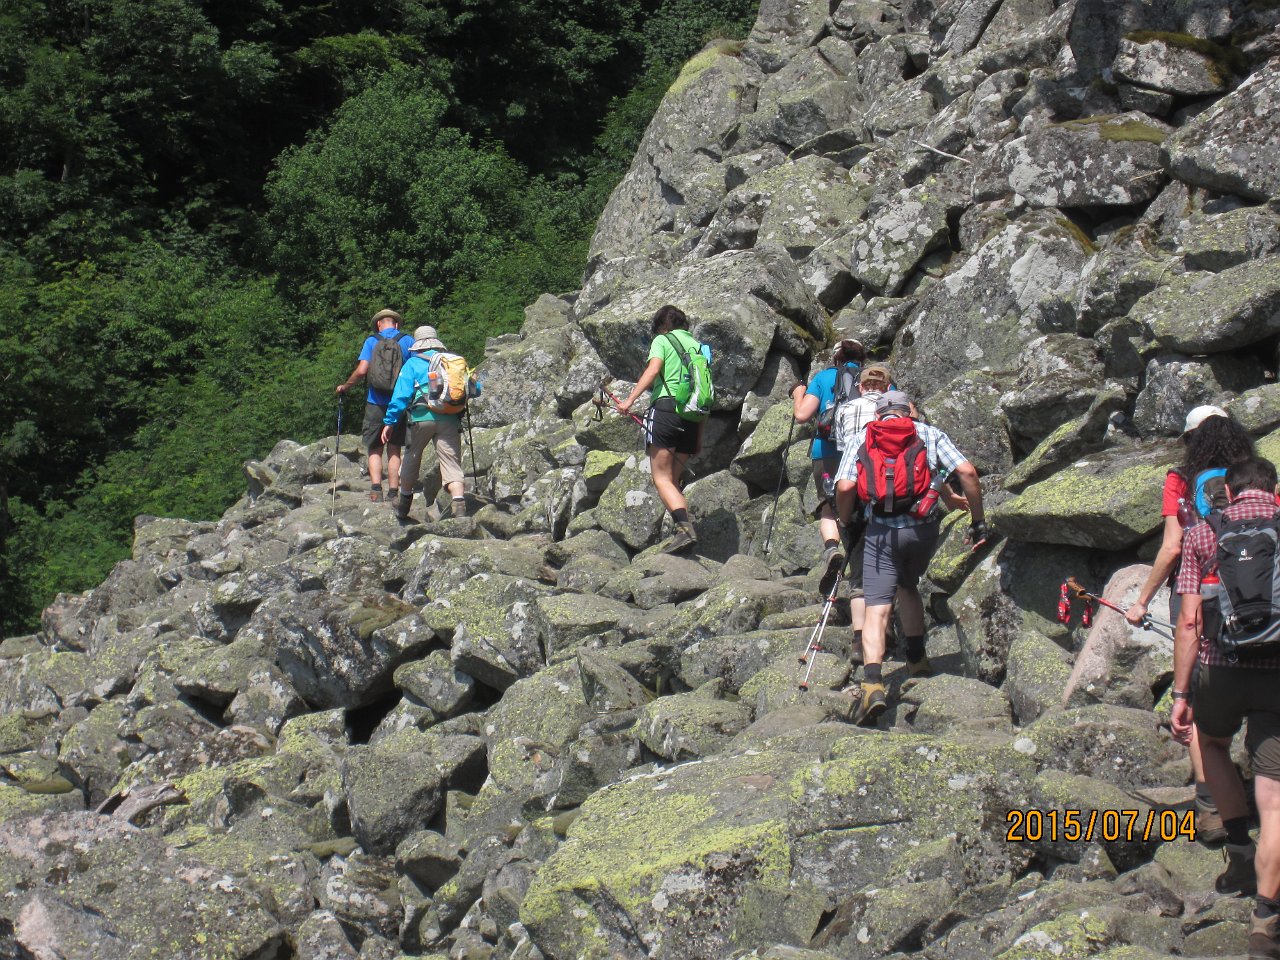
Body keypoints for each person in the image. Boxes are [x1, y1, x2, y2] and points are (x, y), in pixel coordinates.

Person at [1127, 405, 1257, 843]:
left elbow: (1171, 546)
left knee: (1201, 702)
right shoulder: (1256, 476)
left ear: (1190, 441)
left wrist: (1141, 601)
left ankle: (1210, 807)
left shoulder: (1180, 481)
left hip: (1200, 589)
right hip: (1259, 597)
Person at [1172, 456, 1280, 959]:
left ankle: (1237, 852)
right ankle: (1264, 918)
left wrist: (1180, 693)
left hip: (1221, 667)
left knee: (1211, 742)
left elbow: (1190, 622)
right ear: (1273, 491)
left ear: (1229, 493)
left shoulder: (1201, 534)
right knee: (1275, 796)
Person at [834, 389, 987, 726]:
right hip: (922, 531)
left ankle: (873, 683)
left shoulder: (864, 437)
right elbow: (969, 473)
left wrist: (846, 521)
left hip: (880, 533)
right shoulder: (930, 434)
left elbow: (845, 487)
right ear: (909, 412)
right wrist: (979, 522)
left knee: (877, 605)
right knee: (908, 584)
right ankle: (917, 658)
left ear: (880, 414)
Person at [617, 305, 706, 554]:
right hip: (692, 416)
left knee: (662, 478)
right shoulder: (698, 347)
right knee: (673, 481)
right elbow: (704, 394)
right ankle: (683, 534)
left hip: (666, 409)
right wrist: (699, 437)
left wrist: (629, 401)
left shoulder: (662, 340)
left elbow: (654, 369)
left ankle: (685, 530)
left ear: (662, 327)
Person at [788, 339, 867, 594]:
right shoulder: (869, 379)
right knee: (861, 503)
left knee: (829, 506)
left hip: (827, 452)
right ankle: (860, 562)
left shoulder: (824, 378)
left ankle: (832, 549)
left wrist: (798, 392)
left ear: (836, 358)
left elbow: (802, 415)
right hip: (863, 451)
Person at [382, 326, 475, 522]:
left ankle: (403, 504)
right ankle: (459, 504)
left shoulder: (412, 364)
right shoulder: (451, 362)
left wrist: (389, 422)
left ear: (417, 345)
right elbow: (476, 388)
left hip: (421, 418)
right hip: (449, 417)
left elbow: (401, 396)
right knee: (451, 461)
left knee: (412, 457)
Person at [336, 308, 413, 502]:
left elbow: (362, 370)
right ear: (396, 324)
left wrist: (346, 386)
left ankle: (376, 489)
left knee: (375, 447)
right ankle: (394, 492)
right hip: (399, 402)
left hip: (375, 402)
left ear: (379, 324)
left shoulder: (372, 341)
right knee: (395, 448)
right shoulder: (407, 341)